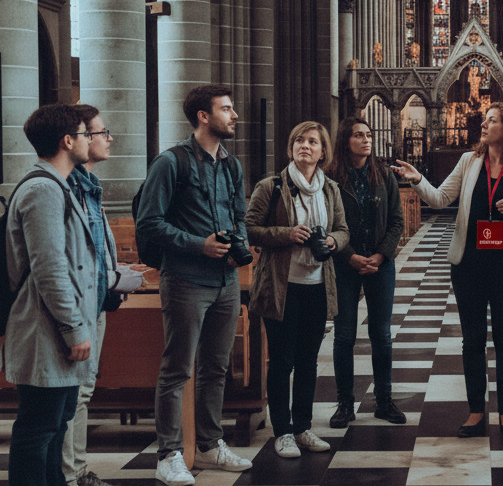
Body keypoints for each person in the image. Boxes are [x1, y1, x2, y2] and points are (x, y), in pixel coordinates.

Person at [392, 102, 503, 439]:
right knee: (472, 340)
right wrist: (418, 180)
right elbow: (440, 199)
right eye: (485, 120)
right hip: (469, 265)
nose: (483, 125)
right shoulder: (469, 161)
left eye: (491, 120)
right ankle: (476, 411)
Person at [136, 85, 253, 486]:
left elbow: (238, 214)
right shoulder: (171, 162)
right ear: (203, 116)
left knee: (216, 368)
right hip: (186, 279)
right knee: (177, 369)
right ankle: (168, 455)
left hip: (225, 280)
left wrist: (238, 245)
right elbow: (149, 223)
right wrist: (197, 244)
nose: (234, 115)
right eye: (226, 109)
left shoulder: (231, 165)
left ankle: (209, 444)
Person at [2, 103, 96, 486]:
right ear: (67, 140)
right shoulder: (43, 189)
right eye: (85, 134)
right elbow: (50, 268)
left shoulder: (58, 184)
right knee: (38, 431)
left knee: (55, 428)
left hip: (54, 330)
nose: (91, 140)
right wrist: (74, 329)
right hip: (45, 330)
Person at [245, 122, 350, 458]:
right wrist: (286, 234)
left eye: (313, 142)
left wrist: (332, 240)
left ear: (323, 151)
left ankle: (303, 427)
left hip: (317, 286)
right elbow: (250, 228)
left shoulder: (330, 189)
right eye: (300, 140)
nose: (306, 146)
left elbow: (343, 229)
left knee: (308, 361)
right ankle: (283, 432)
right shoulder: (271, 187)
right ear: (291, 147)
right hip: (282, 287)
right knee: (281, 362)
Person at [62, 105, 145, 486]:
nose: (109, 138)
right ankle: (70, 475)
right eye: (100, 132)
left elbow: (91, 250)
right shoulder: (67, 187)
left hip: (93, 303)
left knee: (82, 391)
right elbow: (60, 261)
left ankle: (76, 471)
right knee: (74, 393)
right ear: (74, 139)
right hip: (78, 308)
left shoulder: (88, 185)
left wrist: (114, 274)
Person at [324, 117, 407, 429]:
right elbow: (327, 224)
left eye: (369, 135)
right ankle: (345, 404)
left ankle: (384, 402)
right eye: (359, 135)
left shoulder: (384, 174)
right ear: (346, 140)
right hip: (344, 263)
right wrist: (350, 256)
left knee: (381, 334)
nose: (366, 140)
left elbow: (396, 220)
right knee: (344, 335)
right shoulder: (331, 178)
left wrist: (380, 254)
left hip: (379, 263)